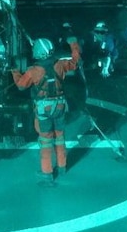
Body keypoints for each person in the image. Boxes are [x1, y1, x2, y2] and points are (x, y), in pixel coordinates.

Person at [12, 36, 81, 183]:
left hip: (44, 109)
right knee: (60, 137)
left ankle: (47, 172)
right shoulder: (61, 65)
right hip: (60, 106)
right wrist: (73, 44)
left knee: (45, 140)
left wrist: (14, 71)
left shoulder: (33, 71)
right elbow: (75, 62)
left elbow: (21, 85)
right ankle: (62, 167)